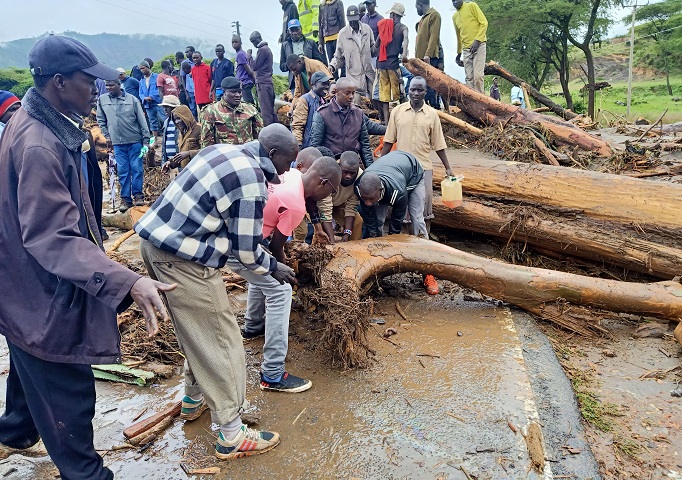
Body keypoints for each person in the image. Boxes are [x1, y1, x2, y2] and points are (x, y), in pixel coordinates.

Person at [0, 34, 173, 480]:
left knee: (26, 376)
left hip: (19, 288)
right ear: (58, 82)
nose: (94, 91)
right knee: (69, 398)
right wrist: (128, 282)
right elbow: (53, 238)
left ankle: (16, 433)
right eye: (86, 82)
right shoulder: (40, 145)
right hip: (39, 294)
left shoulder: (41, 121)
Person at [135, 124, 299, 461]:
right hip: (182, 259)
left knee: (197, 333)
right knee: (222, 342)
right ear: (272, 154)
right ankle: (231, 434)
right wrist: (275, 267)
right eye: (287, 162)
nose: (288, 169)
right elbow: (247, 251)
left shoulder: (224, 149)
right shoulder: (251, 182)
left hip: (154, 246)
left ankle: (194, 401)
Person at [230, 156, 340, 392]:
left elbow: (310, 203)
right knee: (280, 289)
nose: (327, 198)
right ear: (322, 182)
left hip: (241, 233)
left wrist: (318, 225)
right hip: (237, 244)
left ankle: (252, 326)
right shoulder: (295, 205)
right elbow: (277, 246)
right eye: (330, 191)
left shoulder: (292, 175)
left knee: (264, 272)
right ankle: (272, 374)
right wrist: (287, 272)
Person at [380, 76, 452, 294]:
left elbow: (439, 145)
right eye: (413, 89)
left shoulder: (432, 115)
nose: (416, 93)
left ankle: (427, 273)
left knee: (420, 219)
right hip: (398, 171)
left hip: (422, 171)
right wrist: (381, 166)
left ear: (425, 92)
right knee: (393, 217)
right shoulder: (397, 112)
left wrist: (448, 168)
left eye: (420, 90)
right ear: (407, 90)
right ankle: (387, 269)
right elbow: (389, 141)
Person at [97, 77, 151, 211]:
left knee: (137, 168)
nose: (108, 88)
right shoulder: (102, 100)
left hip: (135, 141)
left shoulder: (132, 99)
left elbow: (142, 120)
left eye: (111, 85)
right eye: (107, 85)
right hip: (117, 143)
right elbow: (100, 119)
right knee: (123, 171)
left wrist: (146, 139)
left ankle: (138, 196)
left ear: (119, 85)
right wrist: (107, 135)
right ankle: (126, 199)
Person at [355, 150, 426, 239]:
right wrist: (374, 236)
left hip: (413, 173)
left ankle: (425, 247)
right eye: (364, 198)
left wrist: (392, 239)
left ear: (380, 190)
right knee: (378, 220)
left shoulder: (398, 192)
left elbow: (397, 218)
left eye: (371, 199)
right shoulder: (360, 187)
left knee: (416, 219)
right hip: (390, 171)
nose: (367, 203)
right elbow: (369, 217)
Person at [309, 77, 373, 168]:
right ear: (336, 92)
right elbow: (316, 146)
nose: (351, 96)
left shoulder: (358, 113)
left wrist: (370, 170)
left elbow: (365, 146)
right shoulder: (322, 113)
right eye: (347, 93)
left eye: (353, 93)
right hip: (331, 165)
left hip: (352, 165)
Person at [329, 5, 376, 104]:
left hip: (369, 73)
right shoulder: (343, 34)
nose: (353, 23)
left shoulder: (367, 29)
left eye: (355, 20)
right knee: (355, 106)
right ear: (347, 19)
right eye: (351, 21)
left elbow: (373, 48)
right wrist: (332, 66)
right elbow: (338, 56)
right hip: (354, 77)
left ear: (359, 16)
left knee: (375, 101)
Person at [200, 77, 263, 148]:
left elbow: (260, 137)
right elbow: (207, 144)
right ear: (224, 92)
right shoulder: (211, 112)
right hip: (225, 156)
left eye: (239, 92)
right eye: (233, 92)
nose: (238, 95)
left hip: (248, 154)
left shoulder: (251, 110)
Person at [318, 151, 364, 242]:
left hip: (338, 204)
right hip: (317, 204)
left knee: (358, 222)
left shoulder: (360, 177)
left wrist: (347, 234)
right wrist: (332, 240)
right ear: (339, 166)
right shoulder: (330, 173)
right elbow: (325, 209)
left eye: (352, 173)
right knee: (319, 230)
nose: (348, 176)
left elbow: (351, 206)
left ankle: (353, 248)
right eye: (345, 172)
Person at [375, 3, 409, 122]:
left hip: (382, 65)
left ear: (393, 14)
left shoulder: (385, 26)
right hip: (394, 65)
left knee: (384, 96)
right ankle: (401, 120)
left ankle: (387, 121)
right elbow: (405, 40)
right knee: (399, 93)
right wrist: (404, 54)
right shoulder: (403, 28)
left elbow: (376, 45)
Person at [280, 19, 328, 90]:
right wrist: (292, 65)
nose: (295, 33)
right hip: (295, 82)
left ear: (301, 29)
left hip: (311, 78)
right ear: (288, 32)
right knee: (299, 100)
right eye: (292, 31)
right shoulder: (285, 46)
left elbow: (318, 60)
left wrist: (306, 63)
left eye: (297, 30)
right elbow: (282, 66)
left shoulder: (311, 43)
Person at [453, 0, 488, 94]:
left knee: (478, 76)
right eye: (452, 0)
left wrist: (477, 40)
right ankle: (472, 103)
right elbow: (458, 36)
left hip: (479, 45)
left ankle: (481, 102)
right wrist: (458, 52)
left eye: (456, 0)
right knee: (469, 78)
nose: (455, 2)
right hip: (466, 50)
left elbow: (484, 23)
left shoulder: (472, 6)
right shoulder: (455, 16)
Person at [291, 71, 330, 148]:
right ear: (313, 84)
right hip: (308, 147)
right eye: (323, 84)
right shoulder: (304, 100)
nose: (327, 87)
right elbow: (297, 126)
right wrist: (298, 146)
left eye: (328, 84)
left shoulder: (324, 101)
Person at [415, 0, 442, 108]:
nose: (416, 9)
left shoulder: (434, 15)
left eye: (416, 6)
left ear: (420, 5)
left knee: (431, 87)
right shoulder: (422, 19)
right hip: (420, 58)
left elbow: (434, 37)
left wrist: (428, 54)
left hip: (429, 58)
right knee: (422, 86)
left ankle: (435, 110)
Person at [249, 32, 277, 126]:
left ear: (259, 38)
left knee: (266, 113)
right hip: (267, 82)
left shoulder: (262, 50)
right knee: (270, 110)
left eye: (254, 41)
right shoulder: (267, 49)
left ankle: (269, 136)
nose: (253, 43)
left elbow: (254, 66)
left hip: (263, 83)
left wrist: (249, 56)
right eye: (252, 42)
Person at [163, 104, 201, 170]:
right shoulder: (182, 133)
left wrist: (189, 153)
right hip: (186, 172)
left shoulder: (199, 129)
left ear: (186, 116)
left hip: (198, 170)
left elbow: (208, 151)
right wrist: (170, 163)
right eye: (175, 119)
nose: (177, 122)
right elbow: (181, 156)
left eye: (179, 118)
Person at [318, 0, 346, 77]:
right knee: (331, 63)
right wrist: (320, 42)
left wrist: (344, 38)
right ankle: (335, 82)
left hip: (338, 37)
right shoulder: (321, 6)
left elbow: (342, 21)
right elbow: (320, 25)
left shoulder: (338, 3)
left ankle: (343, 80)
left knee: (342, 59)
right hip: (327, 39)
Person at [138, 60, 166, 137]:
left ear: (148, 67)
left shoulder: (157, 77)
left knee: (164, 119)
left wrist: (152, 97)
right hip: (148, 105)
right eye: (140, 69)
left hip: (158, 102)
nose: (142, 70)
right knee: (152, 122)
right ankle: (155, 140)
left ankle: (170, 135)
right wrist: (144, 98)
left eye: (143, 68)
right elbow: (140, 93)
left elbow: (160, 89)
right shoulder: (141, 81)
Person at [232, 36, 256, 104]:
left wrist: (255, 81)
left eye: (236, 42)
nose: (234, 44)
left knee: (249, 104)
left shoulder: (240, 54)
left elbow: (249, 70)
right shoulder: (240, 54)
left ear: (241, 43)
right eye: (233, 42)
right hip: (242, 83)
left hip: (244, 83)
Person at [159, 95, 181, 167]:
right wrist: (163, 161)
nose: (165, 110)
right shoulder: (166, 122)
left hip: (180, 160)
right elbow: (164, 144)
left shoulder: (181, 122)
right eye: (164, 107)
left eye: (167, 107)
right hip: (168, 161)